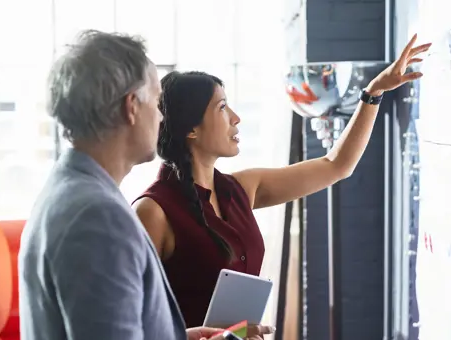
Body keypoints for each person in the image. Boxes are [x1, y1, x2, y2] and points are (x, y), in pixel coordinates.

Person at [133, 34, 431, 327]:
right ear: (191, 130)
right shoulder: (153, 211)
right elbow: (130, 320)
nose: (236, 118)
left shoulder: (241, 189)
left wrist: (373, 92)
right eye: (222, 108)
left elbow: (337, 165)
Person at [18, 30, 259, 340]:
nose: (161, 117)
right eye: (158, 101)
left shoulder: (70, 190)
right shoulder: (97, 217)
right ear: (131, 106)